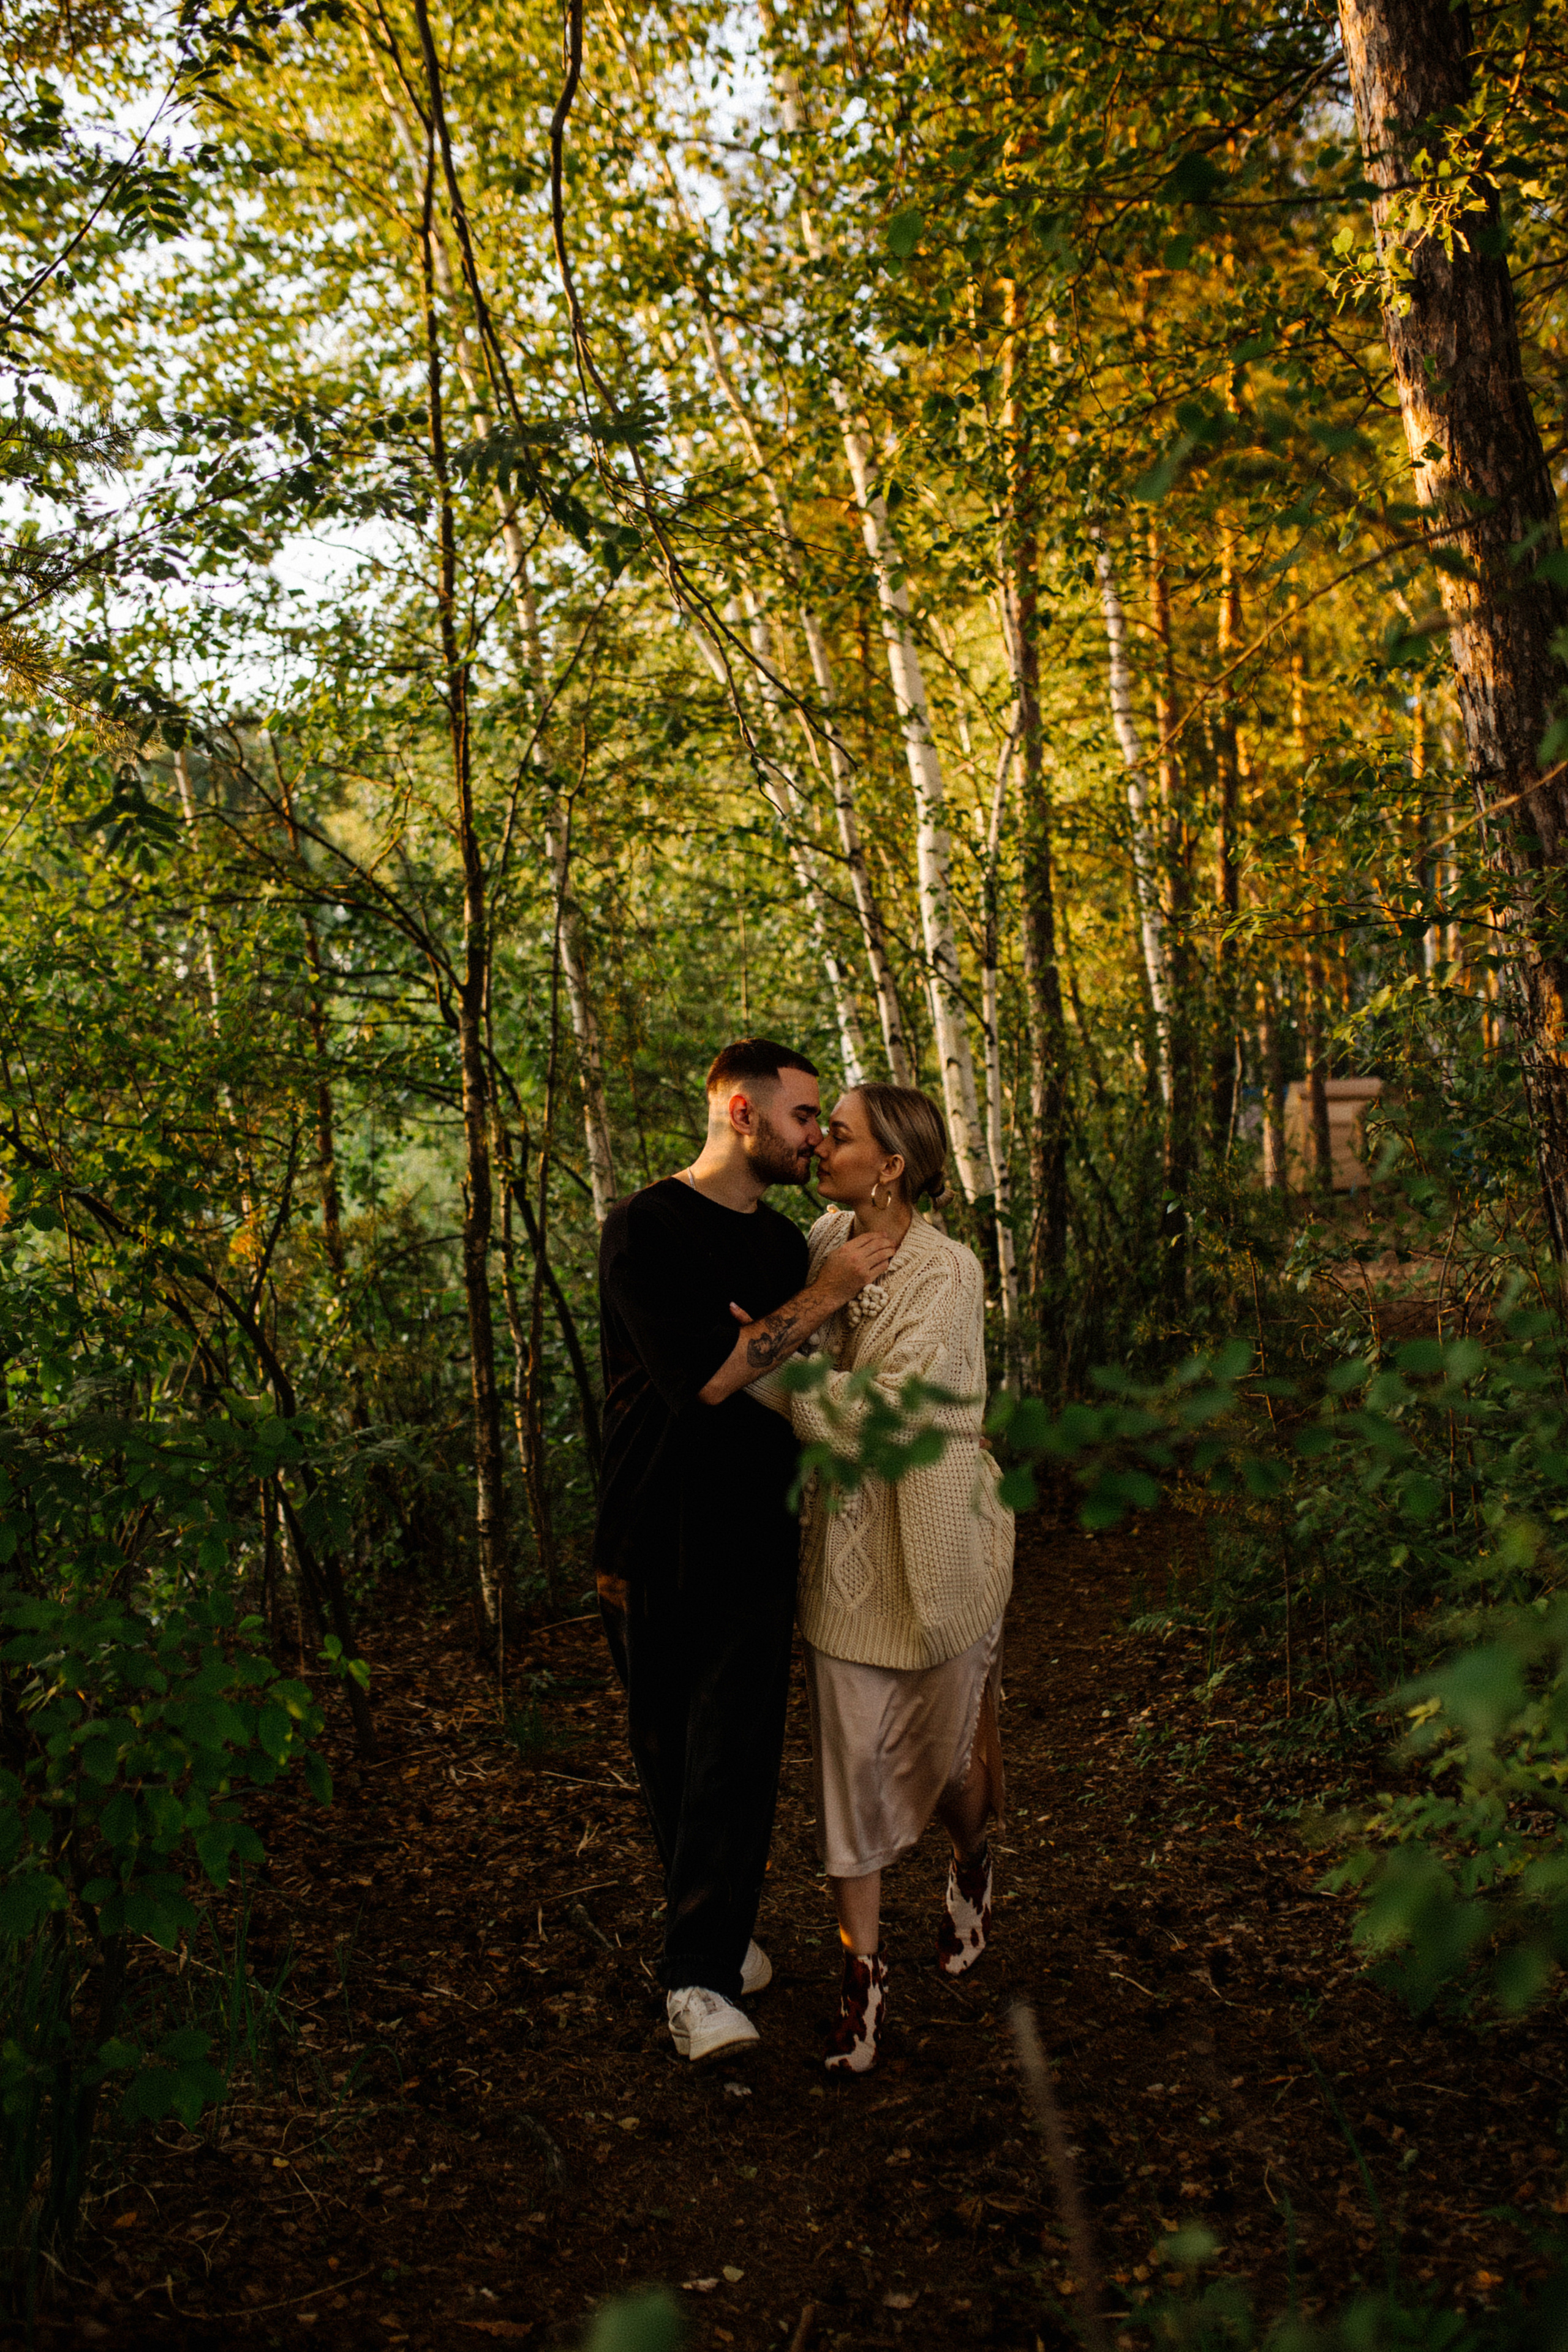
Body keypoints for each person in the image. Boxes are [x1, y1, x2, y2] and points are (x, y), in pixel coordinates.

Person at [593, 1038, 896, 2065]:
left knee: (738, 1760)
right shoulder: (646, 1229)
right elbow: (710, 1379)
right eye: (805, 1117)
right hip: (648, 1529)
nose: (815, 1138)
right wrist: (826, 1293)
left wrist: (789, 1313)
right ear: (740, 1112)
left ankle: (697, 1980)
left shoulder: (779, 1248)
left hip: (755, 1530)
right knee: (671, 1760)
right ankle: (712, 1934)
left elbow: (779, 1370)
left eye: (820, 1122)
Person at [747, 1082, 1014, 2073]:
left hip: (942, 1545)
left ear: (892, 1165)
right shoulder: (819, 1243)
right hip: (846, 1554)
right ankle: (863, 1983)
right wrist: (789, 1334)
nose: (819, 1144)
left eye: (841, 1134)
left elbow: (887, 1410)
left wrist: (771, 1365)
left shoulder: (950, 1271)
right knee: (848, 1777)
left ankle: (971, 1859)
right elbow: (798, 1346)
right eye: (819, 1129)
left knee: (948, 1769)